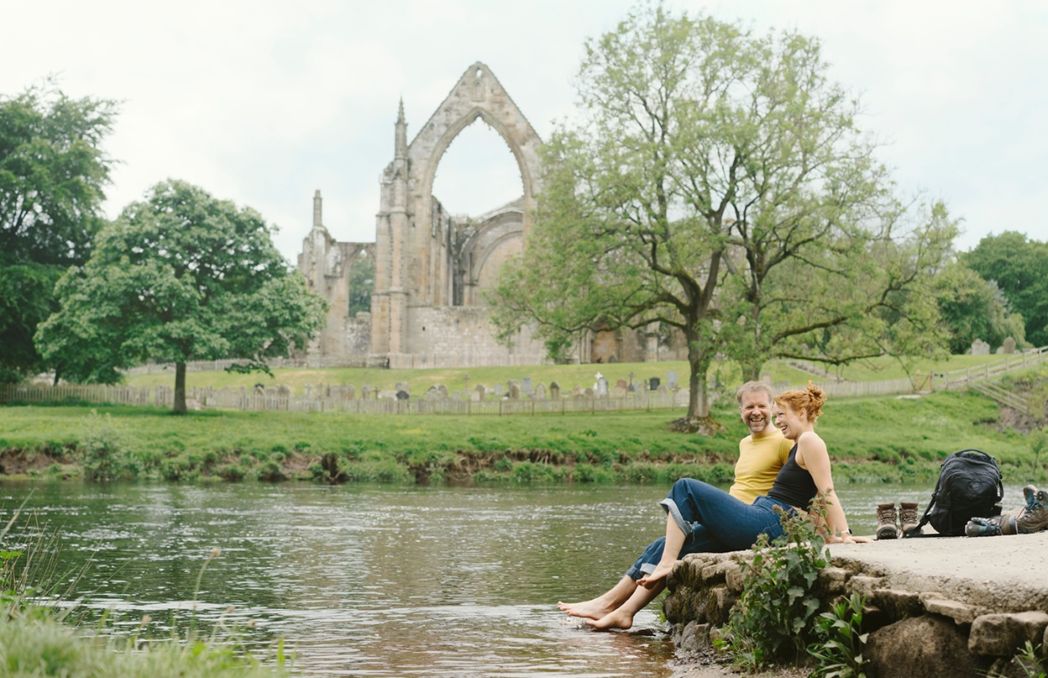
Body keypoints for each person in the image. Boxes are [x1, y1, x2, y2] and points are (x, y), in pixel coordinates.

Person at [565, 382, 867, 631]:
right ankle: (622, 610)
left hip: (768, 520)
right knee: (668, 544)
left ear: (802, 412)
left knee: (685, 488)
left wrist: (843, 534)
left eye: (781, 415)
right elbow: (814, 494)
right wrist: (829, 535)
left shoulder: (809, 442)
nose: (777, 422)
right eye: (776, 416)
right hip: (762, 517)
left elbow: (826, 491)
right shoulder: (801, 442)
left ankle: (663, 567)